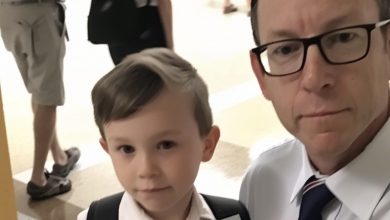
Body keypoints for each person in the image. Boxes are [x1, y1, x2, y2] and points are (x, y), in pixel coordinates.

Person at [240, 0, 390, 219]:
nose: (314, 78)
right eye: (286, 49)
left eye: (342, 37)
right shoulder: (262, 183)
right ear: (261, 77)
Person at [78, 48, 250, 220]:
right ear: (108, 149)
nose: (146, 170)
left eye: (166, 145)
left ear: (207, 145)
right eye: (127, 149)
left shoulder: (234, 216)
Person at [0, 0, 80, 200]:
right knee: (46, 97)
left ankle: (60, 157)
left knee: (40, 92)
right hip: (38, 15)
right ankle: (38, 180)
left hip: (8, 14)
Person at [108, 0, 174, 65]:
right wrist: (170, 47)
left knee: (126, 71)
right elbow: (164, 2)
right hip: (146, 25)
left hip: (115, 24)